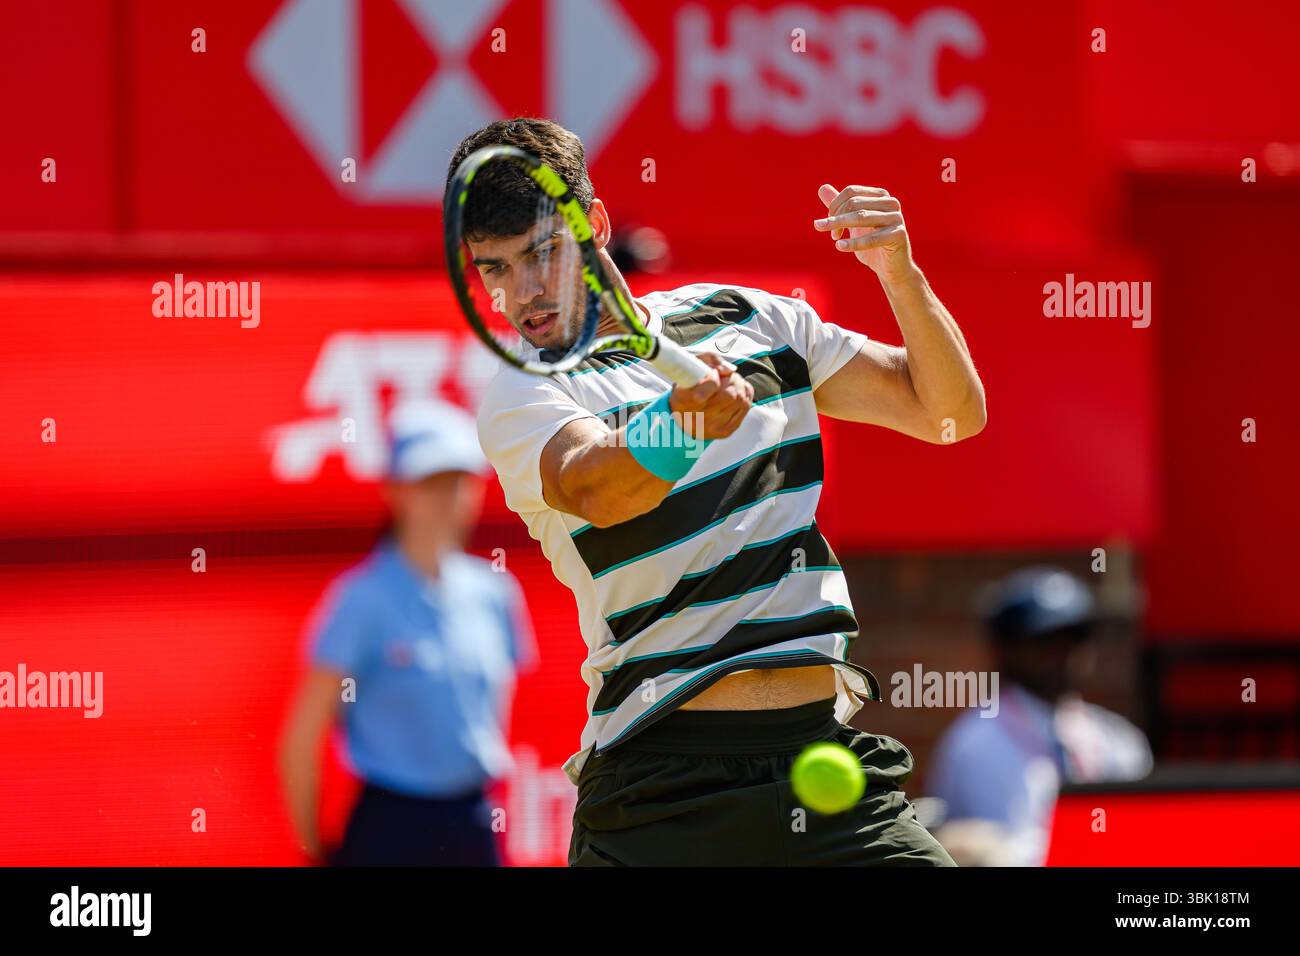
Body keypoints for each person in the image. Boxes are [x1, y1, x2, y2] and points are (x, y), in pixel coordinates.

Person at [461, 117, 986, 866]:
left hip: (822, 767)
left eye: (543, 253)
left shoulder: (751, 318)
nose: (525, 293)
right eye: (496, 270)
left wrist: (899, 272)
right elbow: (600, 488)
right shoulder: (520, 390)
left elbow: (949, 414)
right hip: (661, 790)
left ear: (596, 225)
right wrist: (683, 425)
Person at [279, 398, 535, 866]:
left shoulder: (495, 591)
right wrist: (313, 850)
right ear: (394, 490)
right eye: (429, 482)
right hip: (390, 829)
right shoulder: (361, 598)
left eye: (457, 481)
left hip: (472, 825)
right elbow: (302, 736)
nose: (447, 497)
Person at [926, 566, 1153, 866]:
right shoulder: (974, 743)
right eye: (1044, 642)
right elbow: (1000, 853)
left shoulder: (1119, 738)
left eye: (1072, 640)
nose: (1062, 654)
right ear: (1007, 649)